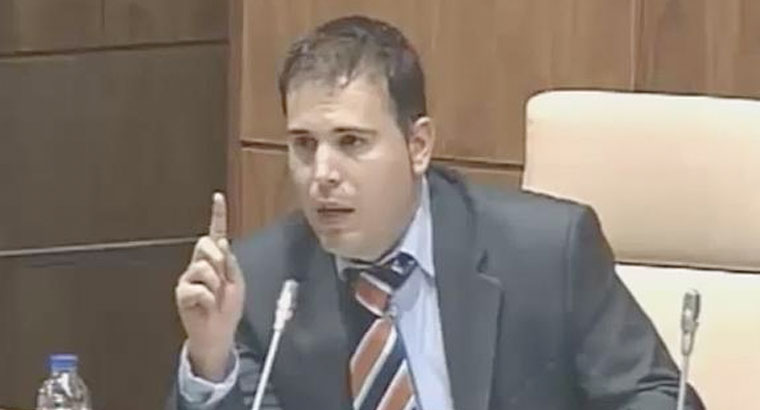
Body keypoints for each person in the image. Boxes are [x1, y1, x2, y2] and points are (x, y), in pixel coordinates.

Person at [167, 15, 704, 410]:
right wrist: (211, 361)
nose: (321, 173)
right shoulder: (261, 285)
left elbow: (657, 396)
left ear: (418, 146)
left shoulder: (546, 254)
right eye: (304, 145)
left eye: (351, 142)